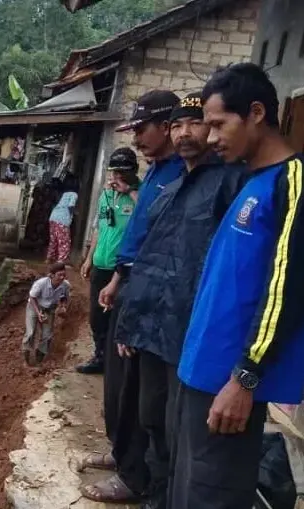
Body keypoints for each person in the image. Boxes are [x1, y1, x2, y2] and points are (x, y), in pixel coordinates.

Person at [171, 63, 304, 509]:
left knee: (214, 495)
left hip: (231, 385)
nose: (210, 138)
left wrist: (245, 378)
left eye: (217, 124)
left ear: (256, 113)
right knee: (189, 489)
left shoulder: (292, 183)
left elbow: (287, 288)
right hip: (200, 373)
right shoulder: (250, 181)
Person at [108, 92, 247, 509]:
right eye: (177, 125)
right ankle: (155, 492)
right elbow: (150, 260)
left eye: (196, 123)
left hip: (189, 329)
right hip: (154, 324)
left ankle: (164, 496)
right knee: (151, 415)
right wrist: (133, 319)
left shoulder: (229, 183)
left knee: (177, 424)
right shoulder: (171, 187)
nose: (185, 133)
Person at [80, 90, 184, 505]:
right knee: (120, 386)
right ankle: (122, 454)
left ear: (167, 127)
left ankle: (135, 475)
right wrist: (118, 281)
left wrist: (129, 288)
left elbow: (160, 246)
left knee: (143, 394)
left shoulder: (179, 175)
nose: (137, 138)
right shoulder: (159, 170)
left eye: (142, 129)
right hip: (128, 283)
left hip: (149, 294)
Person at [77, 148, 140, 375]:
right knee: (96, 316)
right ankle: (100, 356)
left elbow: (148, 217)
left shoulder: (138, 196)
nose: (115, 178)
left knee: (116, 316)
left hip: (122, 269)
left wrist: (131, 191)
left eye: (121, 173)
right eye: (113, 173)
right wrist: (89, 258)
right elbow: (99, 227)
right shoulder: (104, 196)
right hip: (100, 265)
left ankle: (117, 364)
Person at [22, 262, 70, 367]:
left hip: (49, 310)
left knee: (47, 335)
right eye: (59, 275)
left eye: (63, 274)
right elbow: (32, 297)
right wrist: (38, 312)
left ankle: (39, 360)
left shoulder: (65, 285)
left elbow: (64, 297)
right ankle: (26, 359)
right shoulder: (41, 284)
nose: (62, 277)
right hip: (34, 307)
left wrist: (63, 306)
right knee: (30, 332)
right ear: (52, 275)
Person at [47, 180, 79, 264]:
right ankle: (61, 260)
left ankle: (50, 258)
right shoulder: (74, 194)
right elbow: (71, 205)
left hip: (53, 217)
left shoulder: (65, 194)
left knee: (53, 239)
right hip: (62, 219)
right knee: (64, 241)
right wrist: (75, 212)